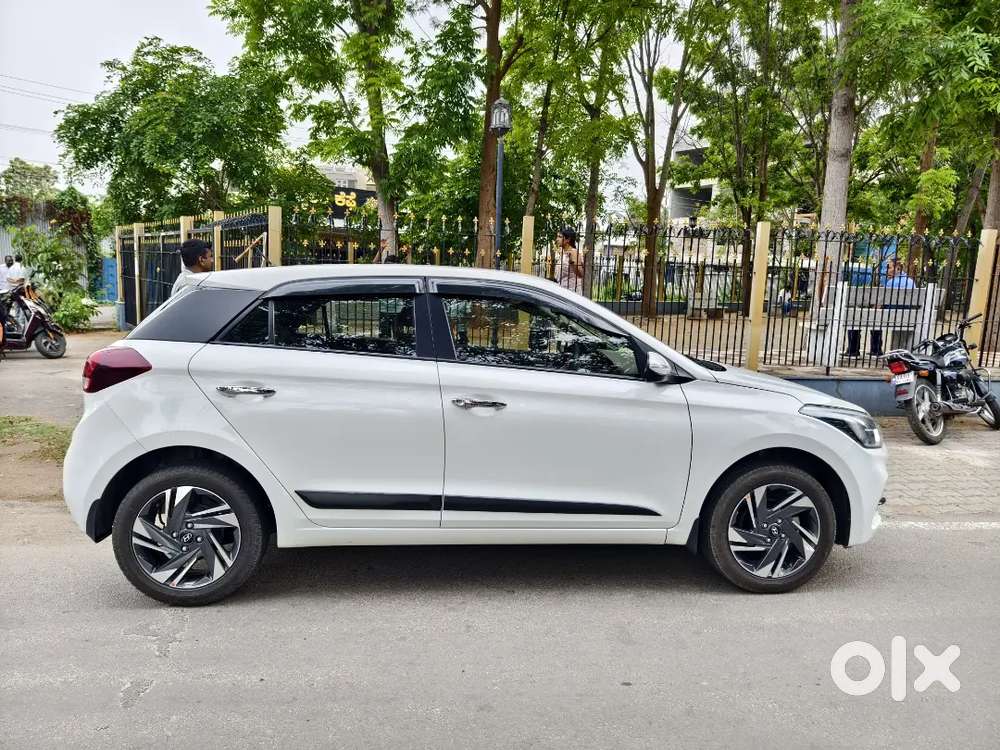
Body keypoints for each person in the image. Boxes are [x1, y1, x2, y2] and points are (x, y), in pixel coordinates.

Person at [554, 226, 584, 293]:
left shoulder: (573, 252)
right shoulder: (563, 252)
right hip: (563, 290)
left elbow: (580, 274)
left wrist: (572, 262)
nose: (557, 239)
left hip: (572, 292)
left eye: (560, 237)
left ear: (568, 239)